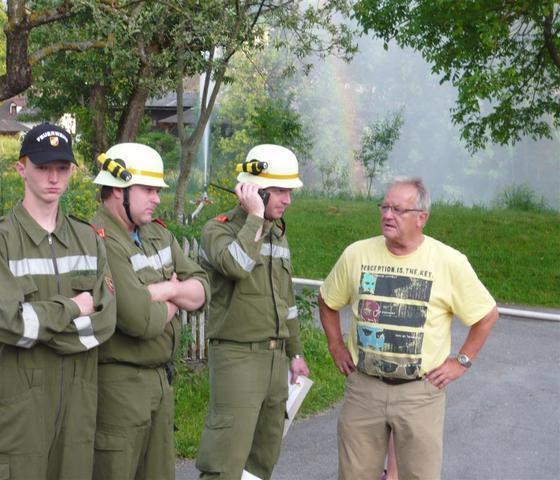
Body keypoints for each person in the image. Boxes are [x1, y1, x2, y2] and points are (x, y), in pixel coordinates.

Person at [318, 176, 499, 480]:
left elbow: (486, 315)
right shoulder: (356, 254)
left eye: (398, 210)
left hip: (420, 393)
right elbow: (327, 300)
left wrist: (462, 361)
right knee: (353, 474)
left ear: (421, 218)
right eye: (384, 207)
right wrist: (335, 345)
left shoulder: (449, 261)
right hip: (364, 388)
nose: (387, 215)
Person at [0, 123, 117, 480]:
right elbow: (2, 324)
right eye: (42, 167)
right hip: (18, 409)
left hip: (77, 409)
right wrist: (72, 307)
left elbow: (105, 322)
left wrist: (38, 327)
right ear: (22, 168)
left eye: (62, 168)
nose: (53, 177)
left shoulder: (88, 239)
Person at [91, 143, 209, 480]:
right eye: (148, 189)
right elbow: (138, 319)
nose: (156, 198)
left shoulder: (158, 233)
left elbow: (203, 290)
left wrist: (166, 290)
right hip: (119, 387)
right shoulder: (99, 239)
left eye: (157, 190)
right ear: (117, 190)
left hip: (161, 382)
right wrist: (176, 297)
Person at [196, 144, 311, 480]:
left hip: (275, 362)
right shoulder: (218, 230)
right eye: (280, 191)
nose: (288, 199)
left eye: (290, 191)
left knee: (262, 458)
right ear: (254, 190)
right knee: (225, 459)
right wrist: (255, 218)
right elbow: (237, 265)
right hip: (237, 357)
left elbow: (286, 302)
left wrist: (296, 352)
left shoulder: (278, 235)